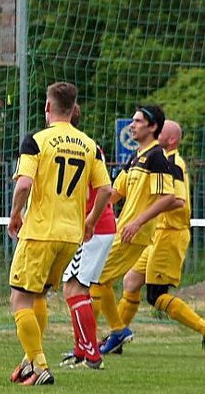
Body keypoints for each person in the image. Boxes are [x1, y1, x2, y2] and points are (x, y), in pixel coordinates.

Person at [7, 82, 111, 386]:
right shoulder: (89, 145)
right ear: (73, 108)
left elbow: (24, 184)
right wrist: (91, 221)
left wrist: (15, 214)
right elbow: (105, 189)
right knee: (37, 295)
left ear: (47, 107)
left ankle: (39, 366)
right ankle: (29, 359)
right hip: (70, 235)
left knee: (19, 299)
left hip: (41, 231)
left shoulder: (37, 140)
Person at [90, 105, 177, 354]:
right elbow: (114, 193)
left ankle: (87, 345)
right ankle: (117, 331)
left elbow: (168, 197)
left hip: (134, 234)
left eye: (138, 121)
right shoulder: (136, 157)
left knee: (95, 280)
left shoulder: (157, 157)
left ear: (153, 127)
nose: (132, 125)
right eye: (132, 120)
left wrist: (138, 222)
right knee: (99, 280)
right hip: (121, 230)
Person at [112, 120, 205, 350]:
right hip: (157, 233)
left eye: (160, 131)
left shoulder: (173, 163)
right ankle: (117, 336)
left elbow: (178, 201)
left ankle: (203, 327)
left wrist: (148, 209)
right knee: (131, 282)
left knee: (156, 295)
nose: (155, 132)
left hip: (170, 234)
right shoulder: (157, 160)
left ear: (171, 139)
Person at [58, 104, 117, 369]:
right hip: (86, 227)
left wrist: (90, 221)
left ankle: (92, 354)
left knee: (76, 288)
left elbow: (106, 189)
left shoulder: (81, 147)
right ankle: (82, 350)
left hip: (92, 228)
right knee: (72, 287)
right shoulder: (86, 146)